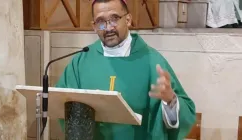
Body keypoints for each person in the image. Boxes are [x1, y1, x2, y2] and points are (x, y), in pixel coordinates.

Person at [56, 0, 196, 139]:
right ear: (94, 26)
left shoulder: (152, 61)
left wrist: (170, 101)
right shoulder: (81, 61)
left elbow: (187, 114)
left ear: (128, 20)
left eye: (114, 19)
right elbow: (62, 105)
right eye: (101, 21)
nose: (108, 28)